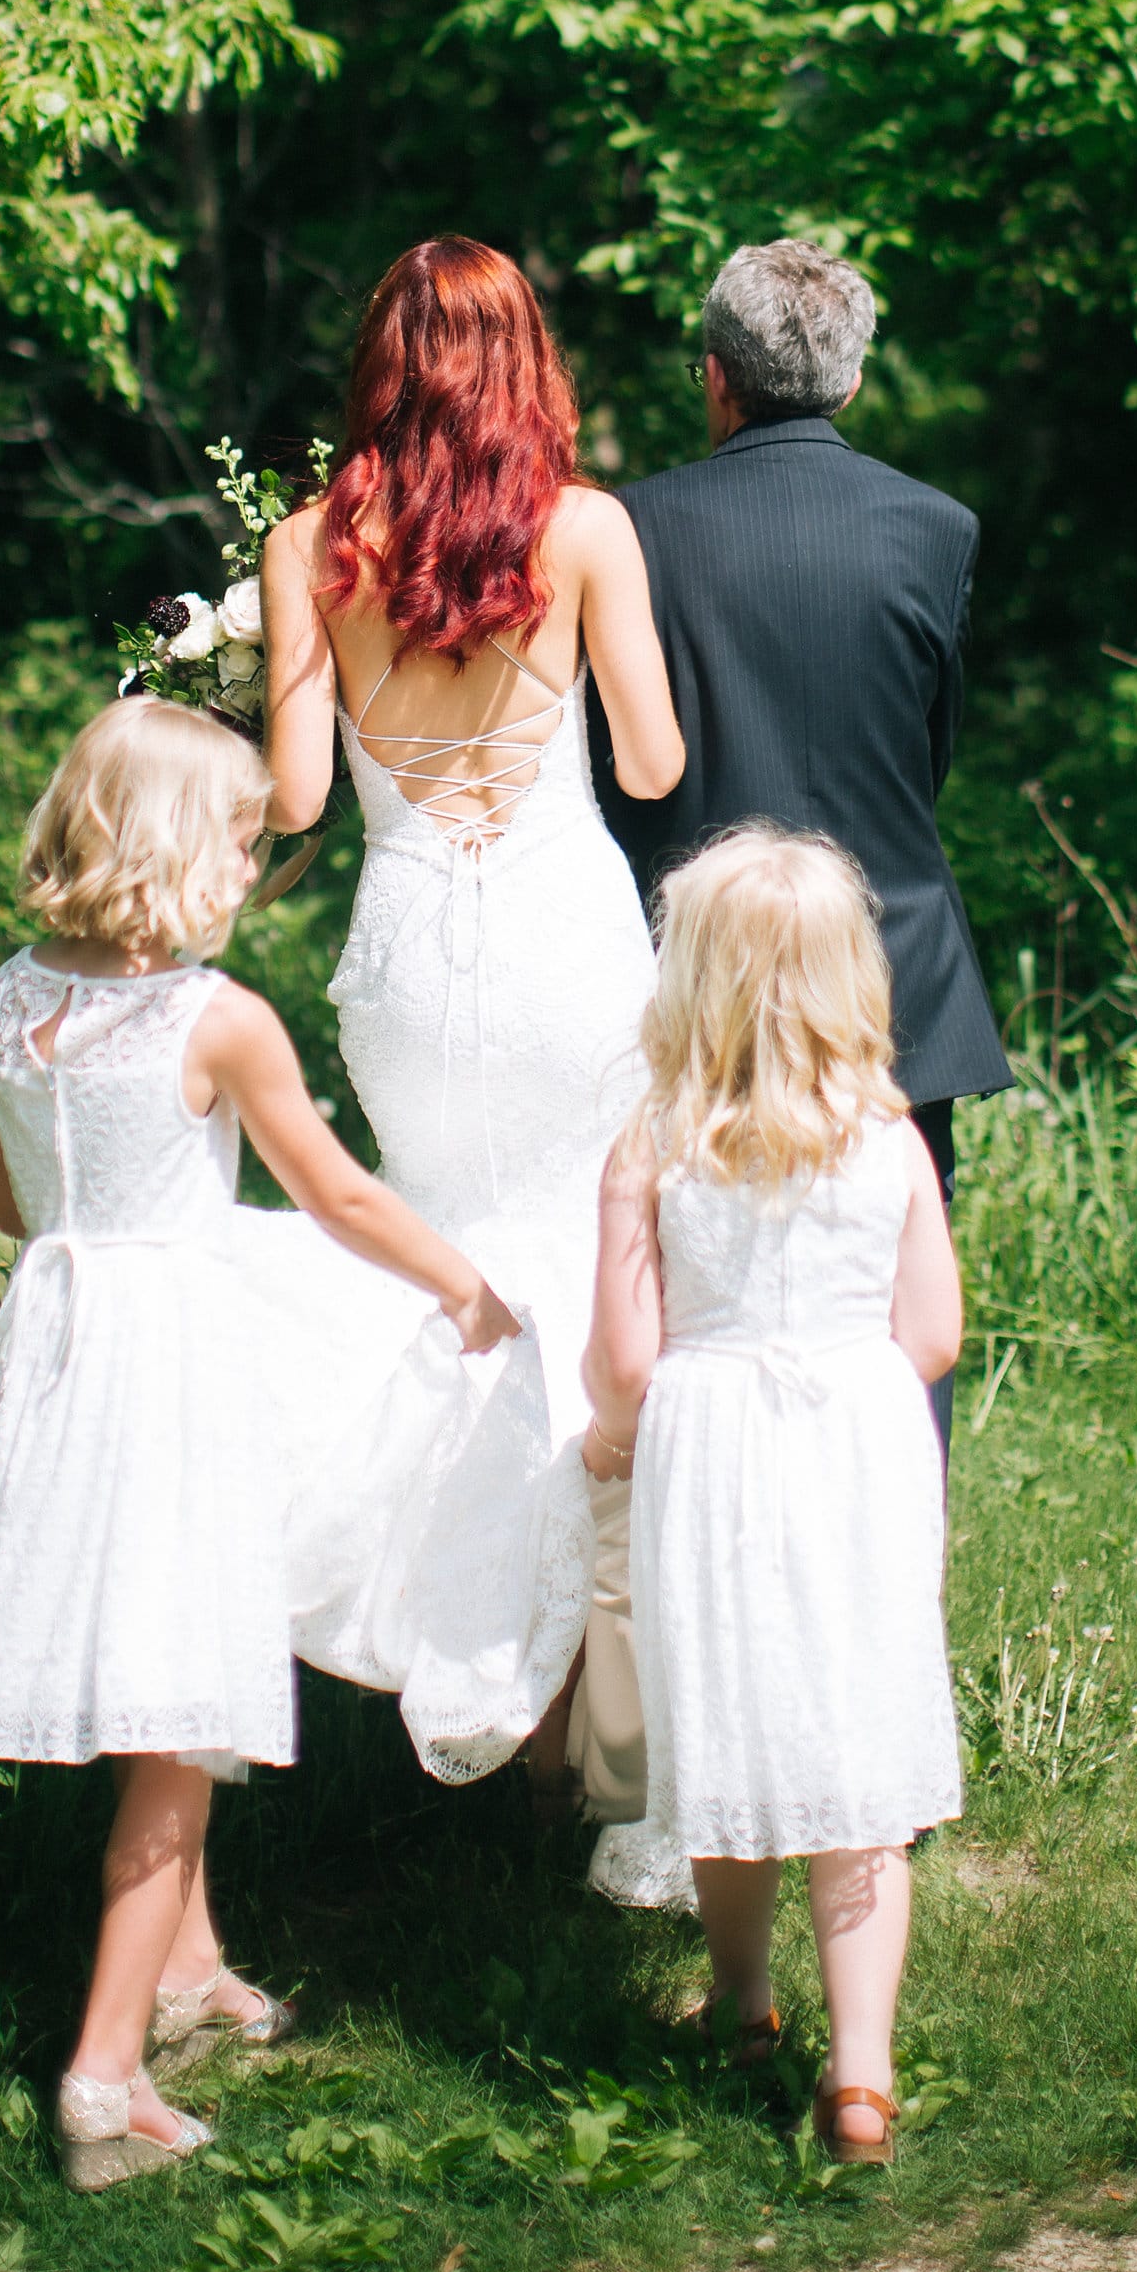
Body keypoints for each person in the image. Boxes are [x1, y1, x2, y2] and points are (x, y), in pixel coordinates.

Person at [0, 696, 517, 2192]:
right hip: (170, 1371)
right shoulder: (214, 1021)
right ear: (179, 846)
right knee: (180, 1730)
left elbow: (9, 1204)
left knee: (142, 1669)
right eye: (244, 844)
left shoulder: (7, 998)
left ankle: (190, 1977)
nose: (255, 871)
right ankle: (104, 2081)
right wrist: (465, 1285)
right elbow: (338, 1196)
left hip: (54, 1354)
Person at [251, 235, 686, 1798]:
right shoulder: (585, 532)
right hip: (569, 941)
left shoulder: (312, 544)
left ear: (382, 363)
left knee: (440, 1281)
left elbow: (300, 792)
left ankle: (431, 1641)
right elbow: (648, 768)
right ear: (528, 368)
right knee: (592, 1266)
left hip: (413, 956)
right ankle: (592, 1712)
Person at [581, 829, 963, 2166]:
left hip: (717, 1455)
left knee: (730, 1740)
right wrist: (844, 1389)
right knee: (860, 1759)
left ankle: (743, 2002)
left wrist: (611, 1434)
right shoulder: (889, 1139)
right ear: (850, 979)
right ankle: (861, 2079)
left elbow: (627, 1363)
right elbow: (936, 1334)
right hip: (855, 1449)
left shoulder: (655, 1146)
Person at [591, 238, 1009, 1448]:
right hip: (891, 965)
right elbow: (932, 750)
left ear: (716, 376)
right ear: (855, 381)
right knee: (892, 1291)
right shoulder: (936, 528)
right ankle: (887, 1561)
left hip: (693, 962)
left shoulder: (635, 528)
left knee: (678, 1296)